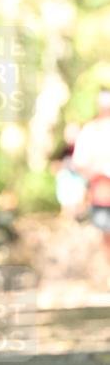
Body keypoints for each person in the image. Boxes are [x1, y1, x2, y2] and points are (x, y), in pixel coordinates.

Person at [72, 89, 110, 264]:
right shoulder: (91, 130)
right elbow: (79, 162)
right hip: (101, 193)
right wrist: (98, 170)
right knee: (106, 235)